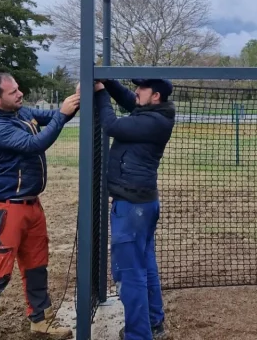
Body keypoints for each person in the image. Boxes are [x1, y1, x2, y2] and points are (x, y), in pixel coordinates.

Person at [0, 72, 80, 340]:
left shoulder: (19, 112)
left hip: (32, 205)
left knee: (37, 266)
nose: (20, 94)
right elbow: (34, 144)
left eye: (18, 88)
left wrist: (77, 98)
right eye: (13, 92)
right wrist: (62, 114)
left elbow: (55, 117)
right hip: (6, 209)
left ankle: (41, 320)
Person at [93, 78, 176, 340]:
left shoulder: (152, 121)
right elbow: (128, 98)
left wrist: (100, 92)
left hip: (132, 207)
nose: (136, 92)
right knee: (144, 265)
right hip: (141, 204)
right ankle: (152, 323)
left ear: (156, 96)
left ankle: (138, 335)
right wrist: (108, 82)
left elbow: (111, 125)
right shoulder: (152, 112)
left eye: (142, 89)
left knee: (129, 273)